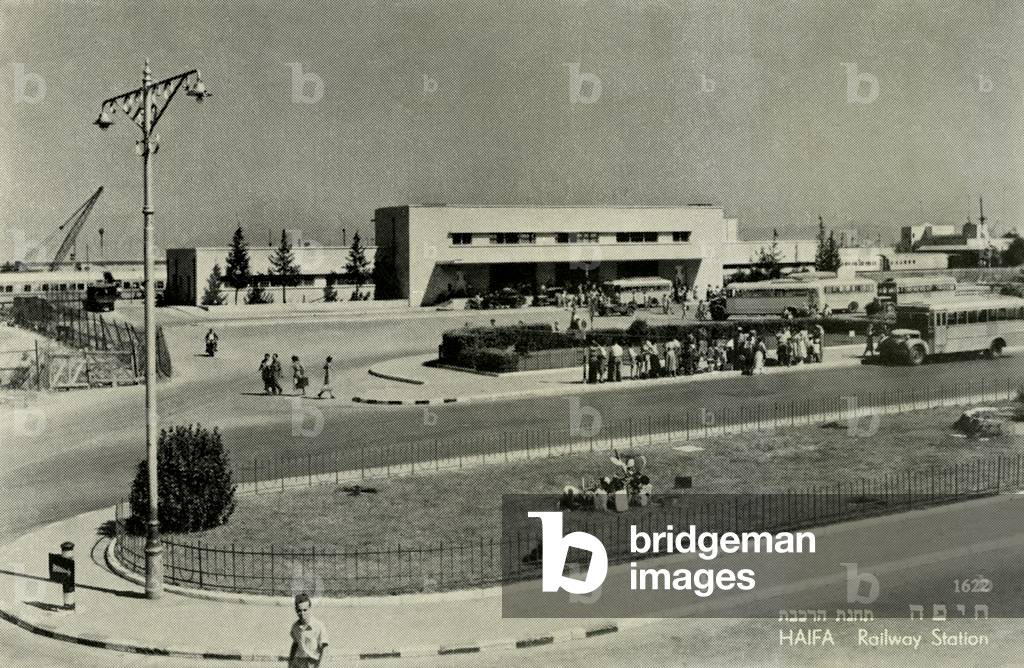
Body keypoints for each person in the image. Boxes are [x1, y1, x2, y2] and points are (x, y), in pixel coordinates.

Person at [288, 593, 328, 668]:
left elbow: (324, 648)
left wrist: (320, 665)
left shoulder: (319, 626)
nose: (302, 613)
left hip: (313, 663)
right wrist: (290, 664)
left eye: (305, 610)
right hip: (299, 664)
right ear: (296, 610)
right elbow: (295, 644)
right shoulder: (295, 627)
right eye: (299, 610)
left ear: (310, 608)